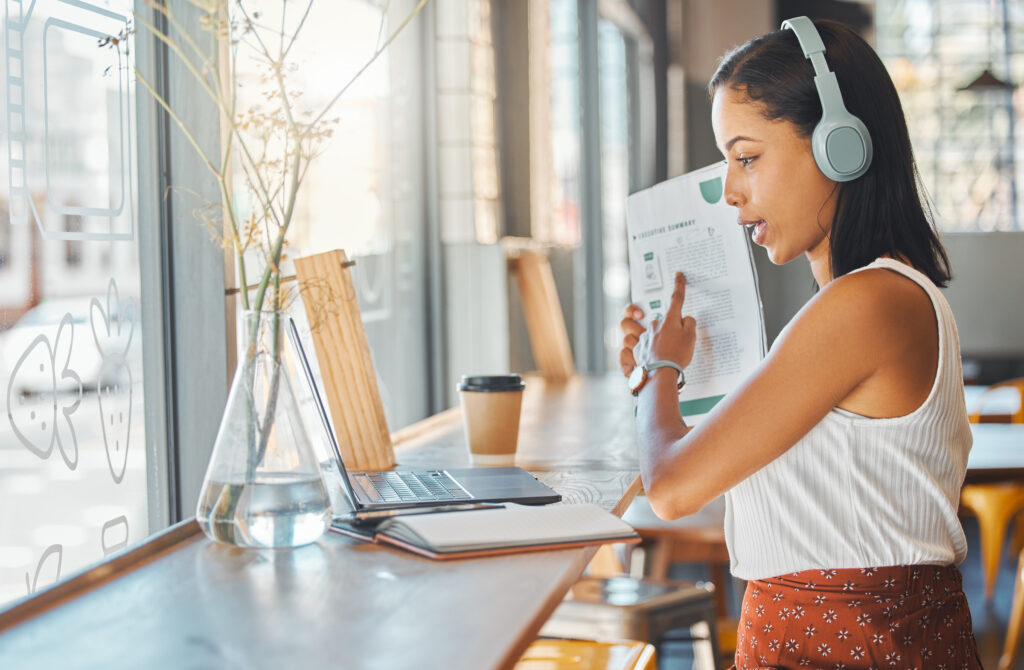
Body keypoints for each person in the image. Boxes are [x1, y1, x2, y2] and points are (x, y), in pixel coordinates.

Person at [619, 17, 983, 669]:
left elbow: (671, 489)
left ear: (840, 146)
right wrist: (659, 378)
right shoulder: (869, 303)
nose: (730, 193)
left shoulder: (867, 305)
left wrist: (661, 368)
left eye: (747, 157)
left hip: (850, 646)